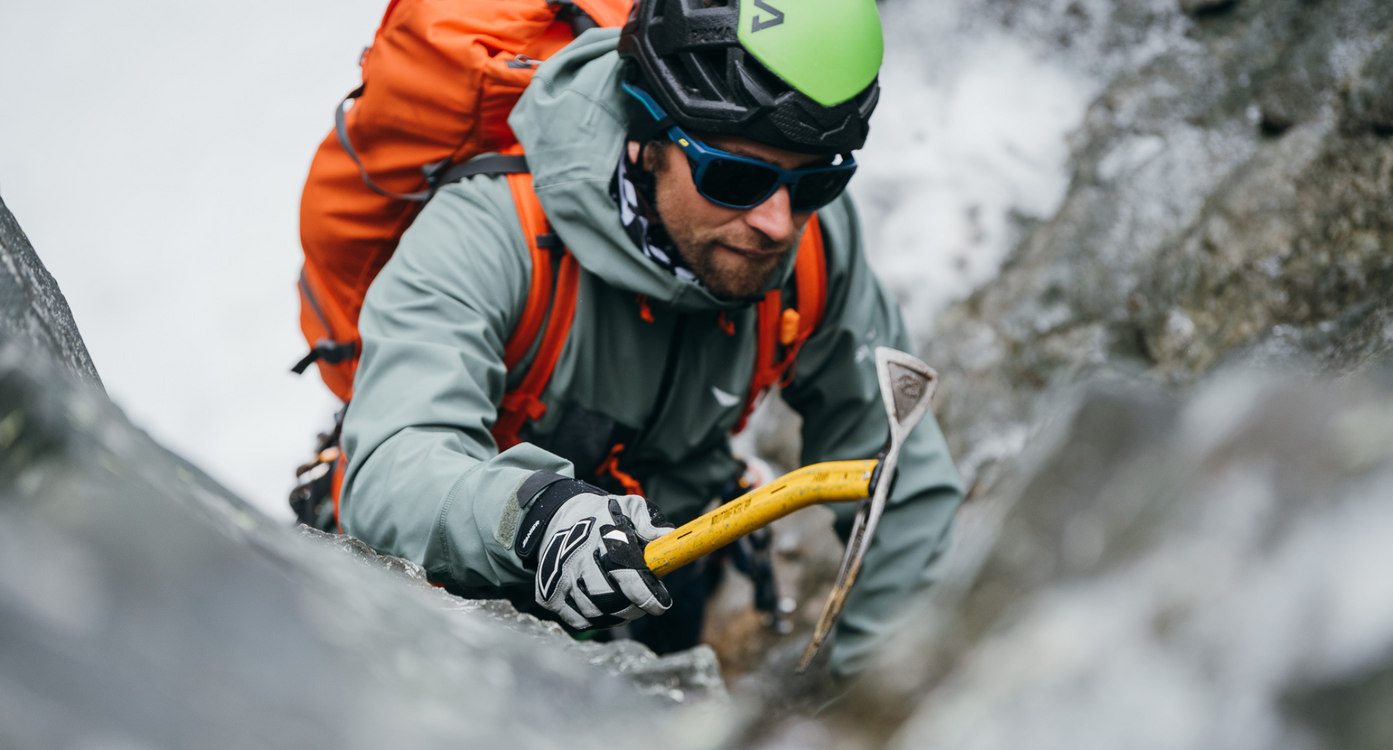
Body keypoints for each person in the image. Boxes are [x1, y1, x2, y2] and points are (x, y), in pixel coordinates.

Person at [337, 0, 963, 679]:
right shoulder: (489, 233)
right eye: (738, 176)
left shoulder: (815, 245)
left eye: (818, 180)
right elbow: (392, 467)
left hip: (669, 584)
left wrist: (885, 697)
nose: (778, 224)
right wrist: (537, 518)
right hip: (460, 621)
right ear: (648, 137)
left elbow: (905, 493)